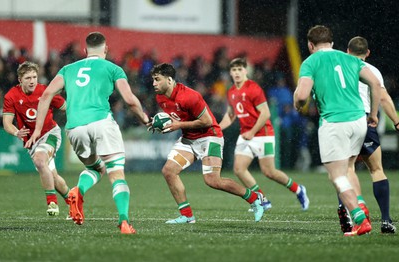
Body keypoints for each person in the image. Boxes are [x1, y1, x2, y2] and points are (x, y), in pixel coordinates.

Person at [25, 32, 149, 234]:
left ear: (85, 51)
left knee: (95, 168)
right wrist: (144, 118)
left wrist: (37, 129)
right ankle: (124, 221)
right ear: (106, 49)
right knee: (116, 174)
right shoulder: (113, 68)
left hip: (75, 128)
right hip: (101, 122)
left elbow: (46, 94)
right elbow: (129, 99)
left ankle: (77, 190)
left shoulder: (68, 69)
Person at [147, 63, 264, 223]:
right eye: (153, 80)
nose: (154, 83)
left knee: (212, 180)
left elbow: (207, 121)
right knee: (169, 171)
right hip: (189, 139)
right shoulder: (160, 98)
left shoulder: (189, 96)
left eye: (157, 80)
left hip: (210, 137)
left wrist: (178, 125)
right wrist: (157, 123)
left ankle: (255, 198)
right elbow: (175, 117)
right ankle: (187, 216)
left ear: (169, 80)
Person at [294, 25, 381, 236]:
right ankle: (360, 203)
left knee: (336, 176)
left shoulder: (311, 61)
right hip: (358, 120)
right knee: (348, 167)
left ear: (310, 45)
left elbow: (303, 95)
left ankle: (359, 218)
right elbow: (375, 84)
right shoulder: (349, 58)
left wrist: (297, 102)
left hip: (335, 122)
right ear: (332, 43)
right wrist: (374, 114)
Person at [219, 58, 309, 213]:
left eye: (240, 69)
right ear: (230, 72)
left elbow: (266, 113)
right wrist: (217, 128)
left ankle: (299, 189)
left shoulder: (253, 88)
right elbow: (231, 114)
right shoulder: (232, 91)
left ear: (246, 71)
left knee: (269, 172)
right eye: (234, 70)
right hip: (246, 134)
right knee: (239, 169)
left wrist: (252, 132)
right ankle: (263, 200)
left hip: (263, 134)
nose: (237, 73)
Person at [336, 36, 397, 234]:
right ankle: (386, 221)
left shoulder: (339, 68)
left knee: (345, 169)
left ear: (347, 50)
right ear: (367, 53)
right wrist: (396, 121)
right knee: (377, 170)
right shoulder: (374, 71)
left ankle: (353, 214)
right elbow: (385, 98)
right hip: (366, 122)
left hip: (345, 120)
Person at [2, 61, 70, 217]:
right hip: (31, 141)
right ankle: (73, 201)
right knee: (52, 177)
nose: (32, 81)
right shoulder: (11, 96)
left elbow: (67, 107)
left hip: (50, 133)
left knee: (40, 161)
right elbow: (7, 123)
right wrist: (16, 132)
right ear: (20, 80)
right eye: (28, 78)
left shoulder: (45, 91)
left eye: (34, 77)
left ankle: (51, 202)